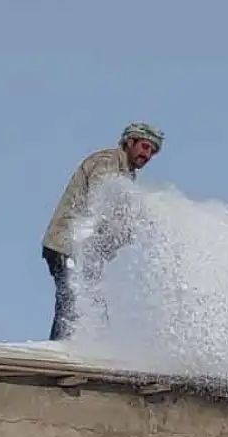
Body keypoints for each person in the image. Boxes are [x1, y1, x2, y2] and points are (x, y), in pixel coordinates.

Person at [41, 122, 165, 340]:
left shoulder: (126, 174)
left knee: (92, 304)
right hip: (68, 244)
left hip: (86, 252)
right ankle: (61, 349)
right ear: (130, 142)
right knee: (73, 299)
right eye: (145, 147)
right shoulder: (107, 162)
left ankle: (86, 348)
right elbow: (102, 200)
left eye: (152, 152)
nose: (147, 155)